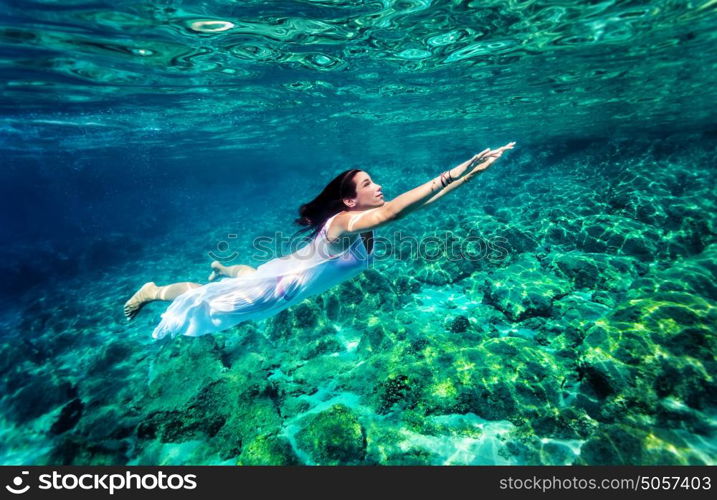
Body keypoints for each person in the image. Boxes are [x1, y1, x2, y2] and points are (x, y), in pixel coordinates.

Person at [123, 142, 516, 339]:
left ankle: (224, 268)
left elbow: (421, 205)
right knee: (200, 299)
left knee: (246, 272)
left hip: (280, 280)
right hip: (272, 292)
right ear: (349, 200)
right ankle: (152, 290)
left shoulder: (360, 225)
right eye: (368, 184)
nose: (378, 187)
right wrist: (457, 169)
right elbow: (396, 210)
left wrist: (476, 171)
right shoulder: (341, 224)